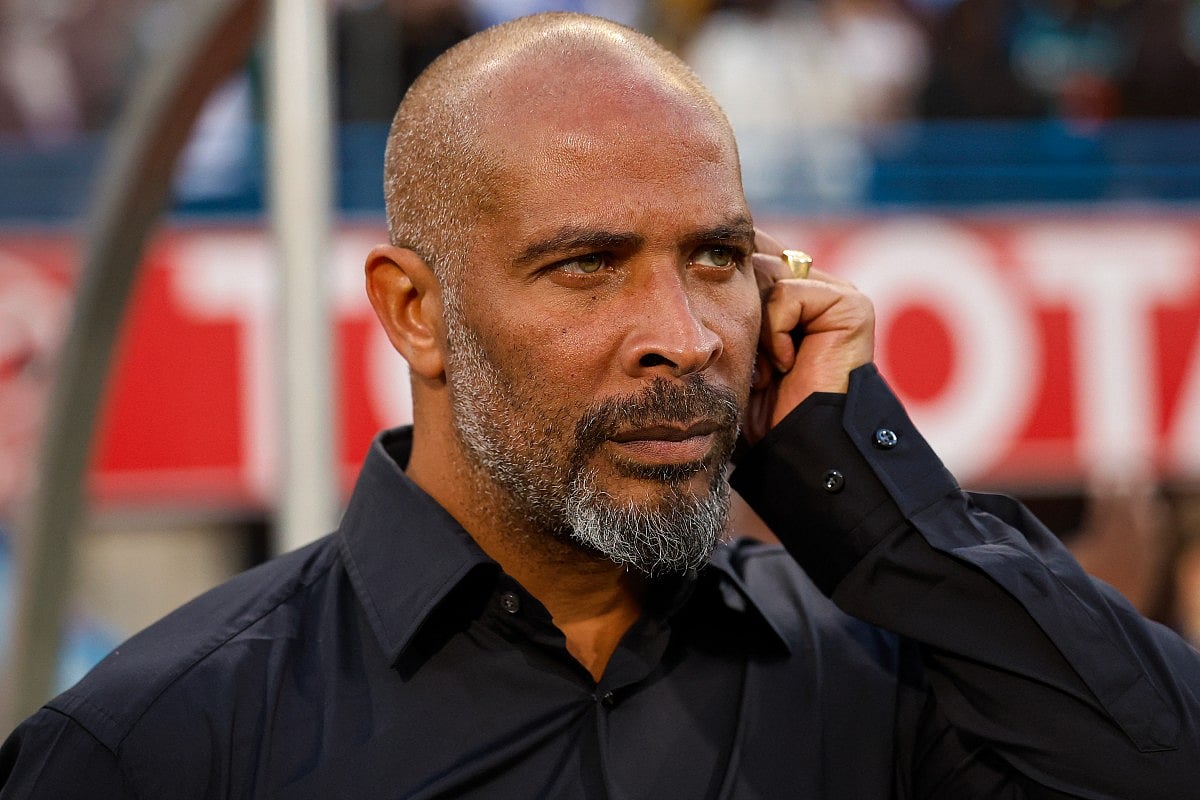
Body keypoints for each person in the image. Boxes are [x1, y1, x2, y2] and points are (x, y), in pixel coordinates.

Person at [2, 12, 1198, 798]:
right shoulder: (159, 744)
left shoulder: (885, 673)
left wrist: (882, 511)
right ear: (414, 310)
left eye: (719, 258)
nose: (681, 337)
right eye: (585, 265)